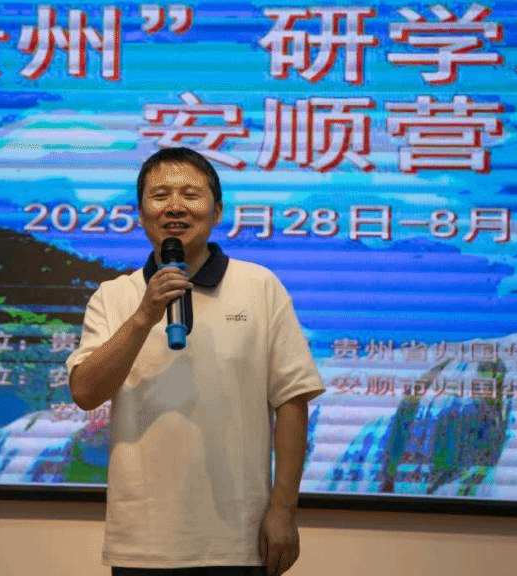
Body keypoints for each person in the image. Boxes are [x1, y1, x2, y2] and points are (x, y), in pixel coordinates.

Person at [66, 147, 325, 576]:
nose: (175, 207)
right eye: (160, 195)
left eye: (190, 194)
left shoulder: (259, 286)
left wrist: (284, 509)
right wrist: (145, 315)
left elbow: (292, 400)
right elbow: (85, 393)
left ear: (217, 210)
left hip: (238, 538)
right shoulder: (114, 297)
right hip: (142, 541)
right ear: (141, 214)